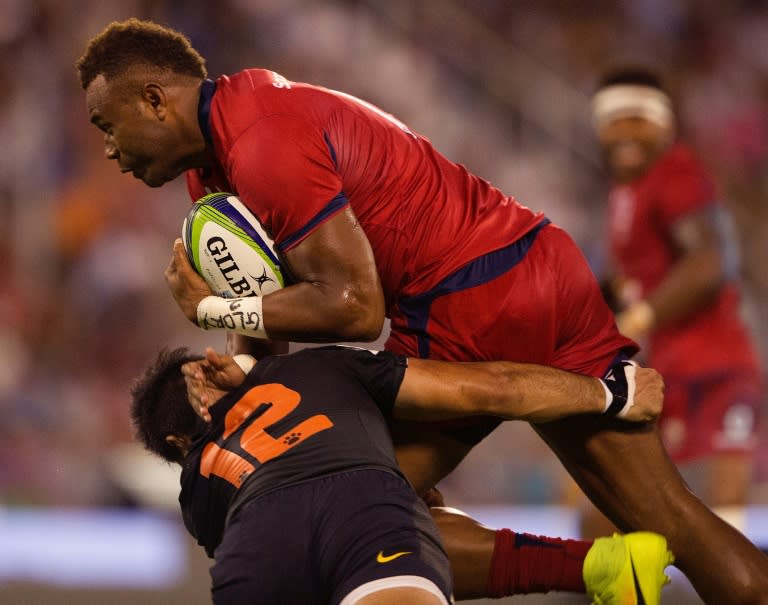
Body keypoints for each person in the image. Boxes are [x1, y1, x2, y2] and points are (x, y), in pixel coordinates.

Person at [77, 19, 768, 604]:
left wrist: (213, 310)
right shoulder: (225, 154)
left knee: (337, 501)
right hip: (537, 260)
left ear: (156, 98)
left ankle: (591, 566)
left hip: (466, 294)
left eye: (109, 125)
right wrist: (248, 369)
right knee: (672, 515)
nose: (108, 148)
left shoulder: (261, 144)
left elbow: (353, 308)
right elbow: (279, 312)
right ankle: (605, 565)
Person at [131, 343, 670, 604]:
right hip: (364, 501)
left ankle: (603, 566)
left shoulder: (195, 486)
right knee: (416, 511)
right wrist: (610, 396)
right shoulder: (322, 363)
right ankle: (600, 565)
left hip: (256, 534)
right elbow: (489, 388)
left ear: (181, 442)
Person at [584, 65, 764, 538]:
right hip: (665, 370)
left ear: (664, 123)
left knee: (725, 531)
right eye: (613, 118)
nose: (624, 129)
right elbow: (631, 280)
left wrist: (639, 317)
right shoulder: (626, 191)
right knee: (610, 514)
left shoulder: (676, 171)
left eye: (637, 116)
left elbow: (709, 261)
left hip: (711, 368)